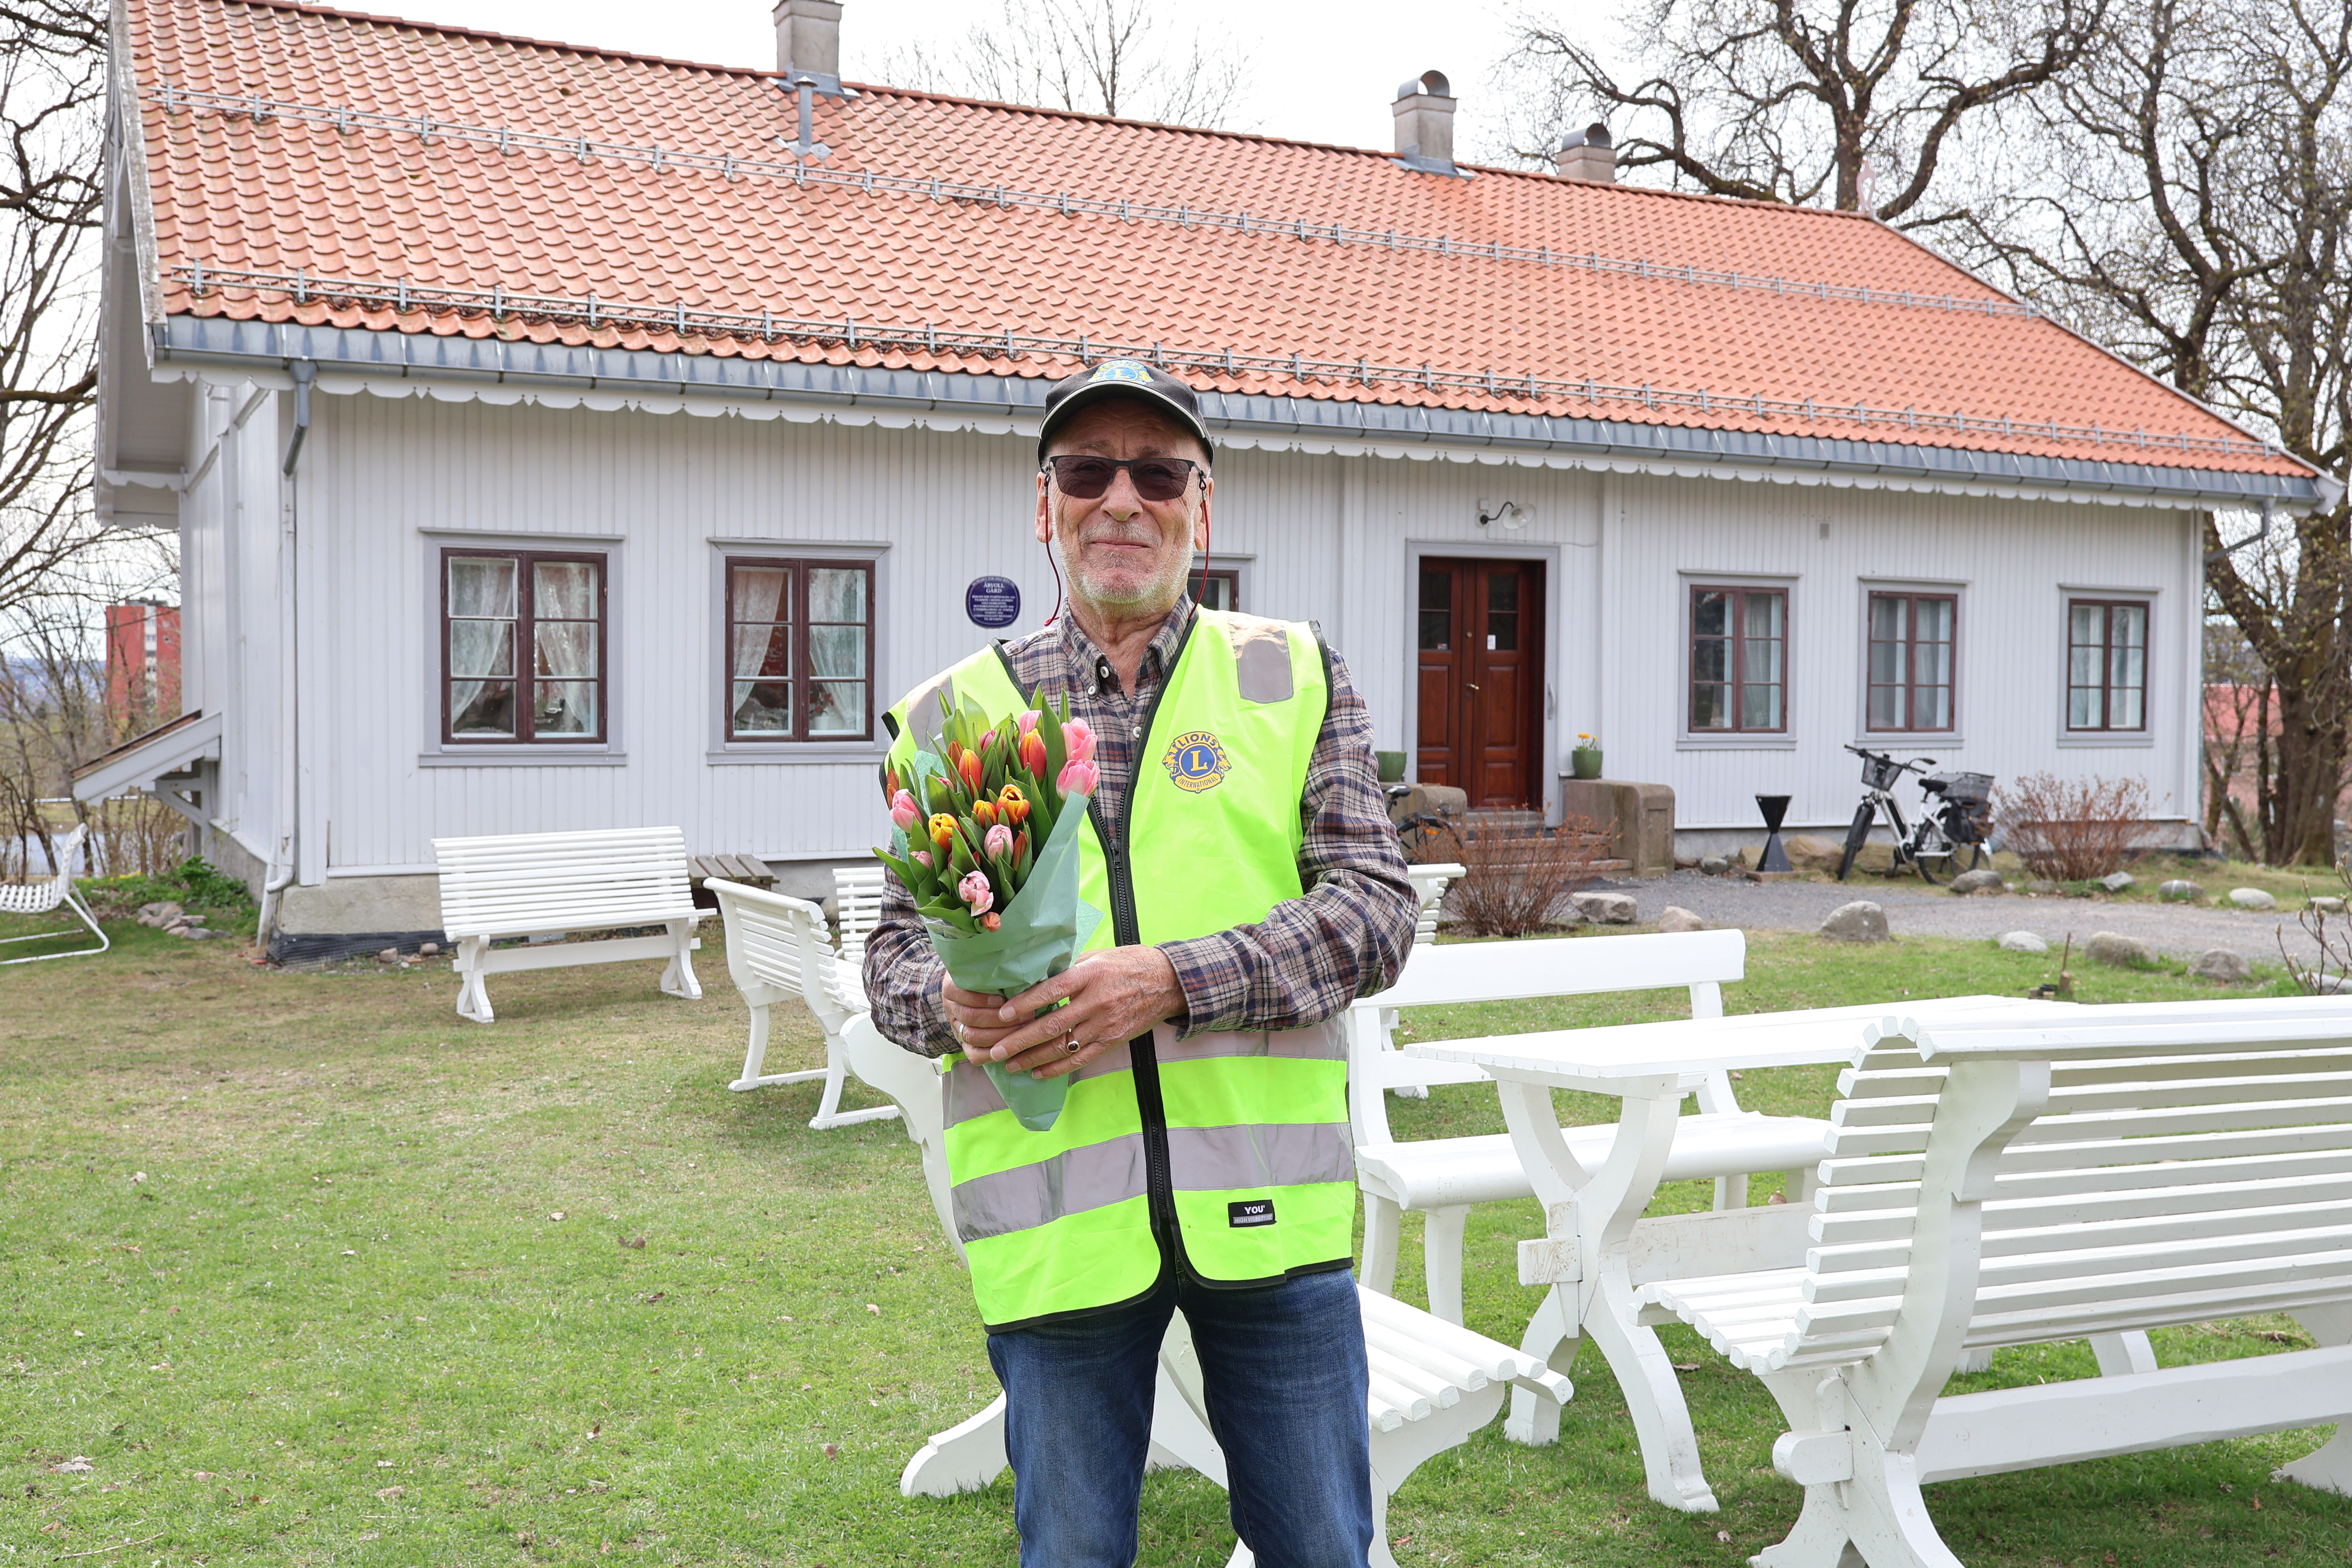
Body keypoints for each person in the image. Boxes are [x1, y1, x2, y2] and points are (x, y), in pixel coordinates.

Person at [862, 359, 1419, 1567]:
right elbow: (892, 957)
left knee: (1321, 1549)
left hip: (1273, 1225)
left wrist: (1169, 980)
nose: (1123, 498)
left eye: (1158, 472)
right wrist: (950, 1003)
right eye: (1088, 470)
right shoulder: (947, 714)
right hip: (1057, 1225)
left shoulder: (1292, 673)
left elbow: (1376, 907)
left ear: (1201, 510)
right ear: (1045, 504)